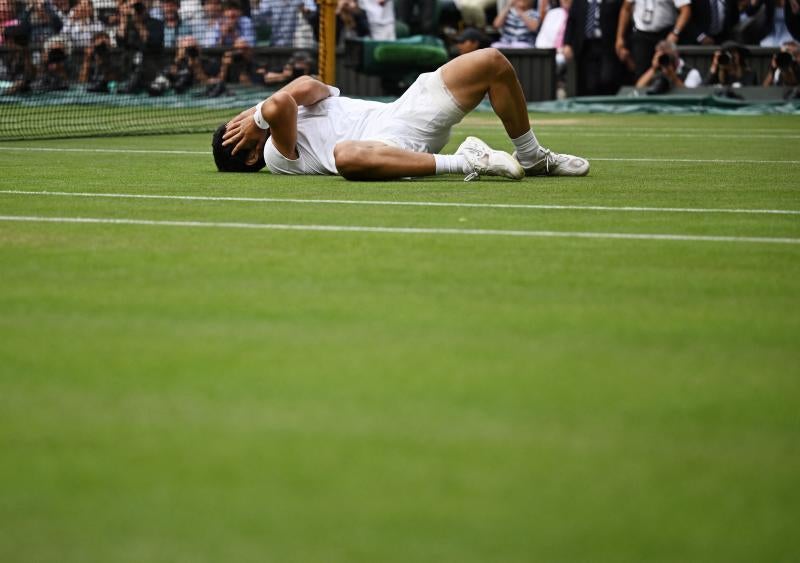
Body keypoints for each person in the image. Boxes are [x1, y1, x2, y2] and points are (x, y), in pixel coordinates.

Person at [213, 48, 589, 181]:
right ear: (248, 152)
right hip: (387, 146)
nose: (246, 117)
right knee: (346, 155)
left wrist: (258, 114)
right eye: (239, 126)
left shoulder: (286, 107)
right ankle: (465, 162)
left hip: (403, 112)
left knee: (491, 63)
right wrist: (260, 117)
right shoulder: (274, 155)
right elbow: (279, 106)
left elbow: (309, 85)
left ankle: (532, 157)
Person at [564, 0, 629, 95]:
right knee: (589, 82)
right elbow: (571, 21)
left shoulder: (613, 2)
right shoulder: (578, 2)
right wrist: (567, 44)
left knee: (607, 78)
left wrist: (622, 42)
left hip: (607, 46)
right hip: (586, 45)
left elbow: (622, 19)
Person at [615, 0, 692, 79]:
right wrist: (619, 37)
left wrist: (675, 32)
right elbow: (626, 9)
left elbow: (685, 10)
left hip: (665, 34)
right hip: (641, 34)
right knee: (641, 72)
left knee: (667, 70)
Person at [635, 39, 702, 92]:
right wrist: (653, 69)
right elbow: (638, 89)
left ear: (676, 54)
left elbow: (689, 95)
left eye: (667, 55)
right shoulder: (657, 70)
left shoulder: (692, 73)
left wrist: (672, 75)